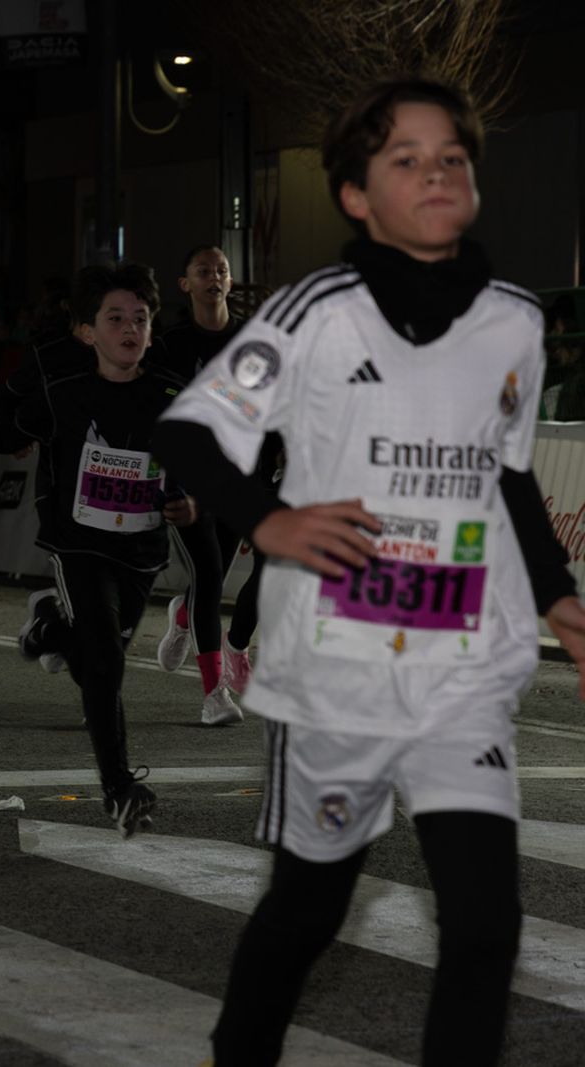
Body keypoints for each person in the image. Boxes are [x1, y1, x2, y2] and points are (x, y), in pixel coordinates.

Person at [152, 78, 585, 1066]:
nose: (436, 173)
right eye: (406, 159)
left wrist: (559, 596)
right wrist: (271, 519)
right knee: (308, 909)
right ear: (355, 194)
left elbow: (509, 475)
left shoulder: (515, 323)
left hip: (462, 671)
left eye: (451, 157)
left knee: (486, 925)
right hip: (337, 674)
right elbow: (186, 434)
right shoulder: (314, 314)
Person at [0, 262, 194, 837]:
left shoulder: (172, 393)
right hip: (78, 544)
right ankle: (119, 789)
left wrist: (188, 503)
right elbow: (17, 435)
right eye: (115, 318)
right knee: (104, 663)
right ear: (87, 331)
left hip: (141, 550)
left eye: (140, 319)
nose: (129, 328)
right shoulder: (64, 393)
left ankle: (49, 629)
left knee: (98, 661)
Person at [151, 246, 249, 725]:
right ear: (185, 284)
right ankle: (215, 694)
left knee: (215, 577)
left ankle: (183, 615)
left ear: (230, 281)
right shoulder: (170, 345)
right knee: (209, 577)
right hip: (186, 482)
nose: (215, 277)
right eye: (204, 271)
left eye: (222, 270)